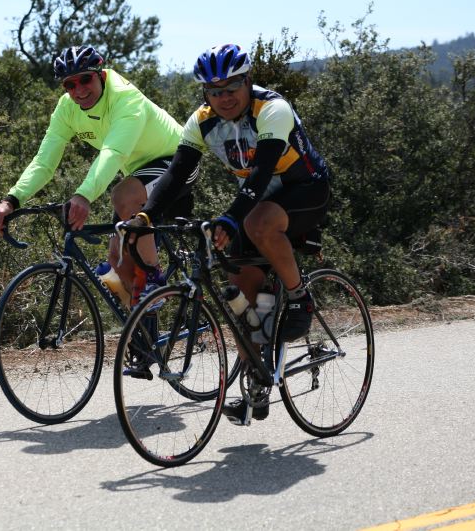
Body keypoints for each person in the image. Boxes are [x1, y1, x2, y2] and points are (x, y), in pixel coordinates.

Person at [128, 43, 331, 424]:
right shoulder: (202, 121)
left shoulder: (272, 109)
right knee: (241, 301)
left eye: (231, 87)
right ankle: (258, 379)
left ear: (248, 81)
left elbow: (261, 172)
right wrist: (146, 216)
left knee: (254, 224)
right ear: (205, 93)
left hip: (305, 190)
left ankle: (300, 298)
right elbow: (174, 174)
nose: (223, 97)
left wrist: (230, 218)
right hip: (258, 202)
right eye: (214, 90)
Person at [0, 45, 197, 305]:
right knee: (117, 263)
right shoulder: (67, 109)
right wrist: (12, 200)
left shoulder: (124, 97)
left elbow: (113, 152)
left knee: (123, 195)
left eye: (86, 79)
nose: (79, 90)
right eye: (70, 85)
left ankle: (154, 280)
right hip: (139, 173)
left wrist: (83, 195)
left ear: (102, 75)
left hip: (177, 162)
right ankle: (145, 338)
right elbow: (44, 162)